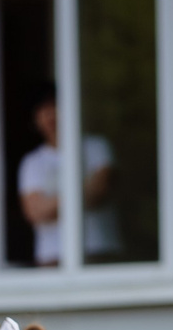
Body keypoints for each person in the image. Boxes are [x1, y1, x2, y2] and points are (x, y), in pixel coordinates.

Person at [18, 86, 116, 267]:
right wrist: (80, 191)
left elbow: (99, 192)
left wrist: (52, 203)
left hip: (96, 250)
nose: (50, 115)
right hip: (51, 257)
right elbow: (35, 212)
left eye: (54, 107)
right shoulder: (32, 162)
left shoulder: (95, 147)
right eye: (43, 110)